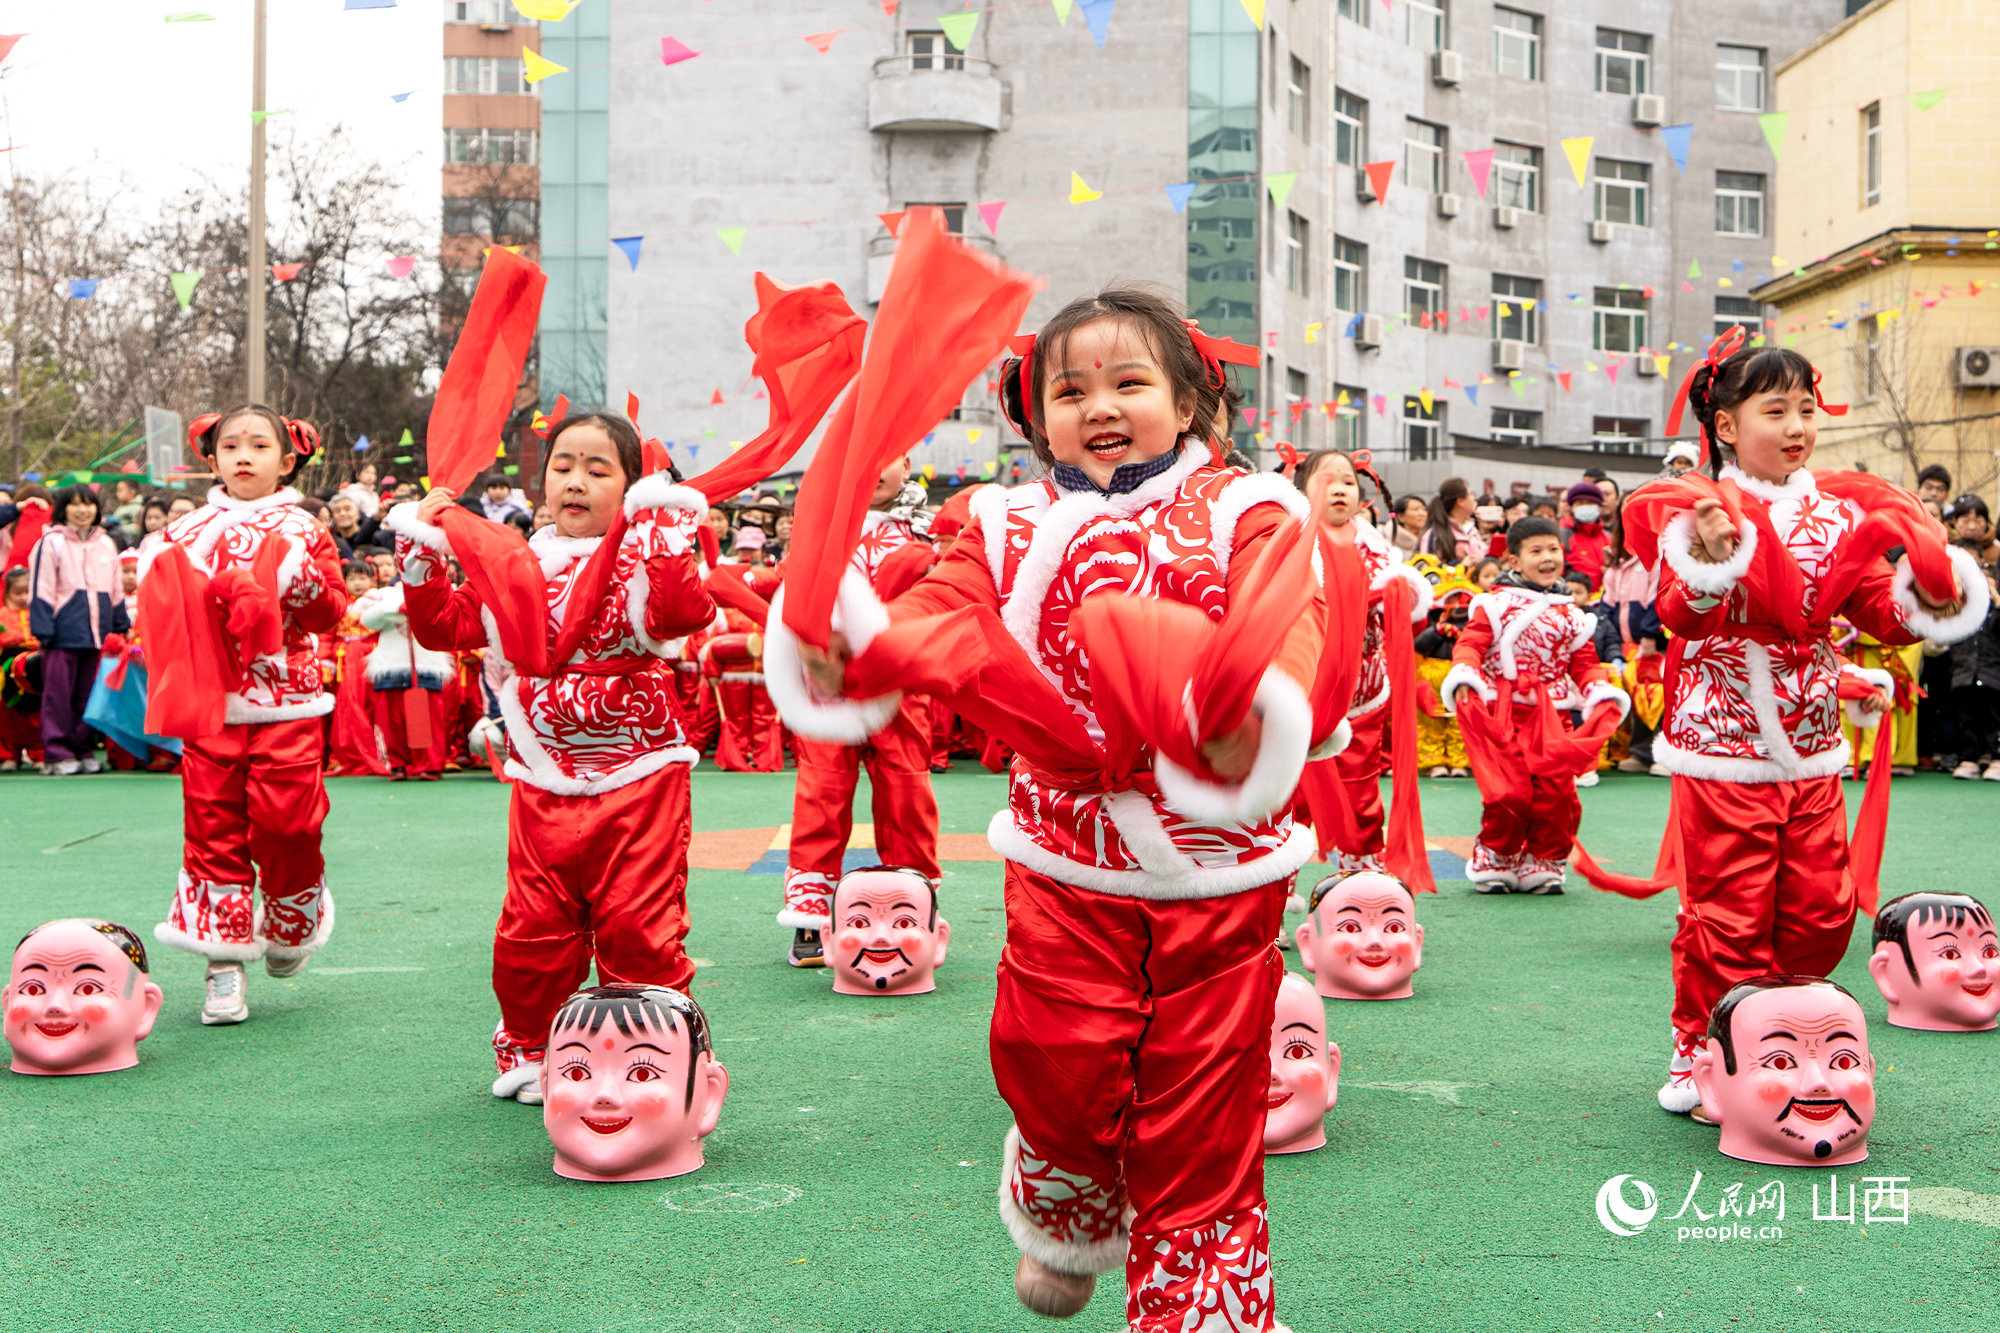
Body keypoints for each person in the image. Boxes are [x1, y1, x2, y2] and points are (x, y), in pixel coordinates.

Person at [771, 287, 1330, 1329]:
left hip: (1220, 862)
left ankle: (1200, 1307)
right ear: (1034, 415)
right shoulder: (998, 520)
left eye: (1130, 382)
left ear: (1193, 398)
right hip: (1064, 858)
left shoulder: (1253, 510)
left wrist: (1243, 719)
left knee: (1203, 1103)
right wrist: (862, 643)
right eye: (1070, 389)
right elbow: (941, 614)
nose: (1100, 406)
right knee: (1051, 1063)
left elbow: (1283, 620)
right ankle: (1066, 1202)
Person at [1596, 341, 1985, 1117]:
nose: (1798, 425)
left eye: (1806, 408)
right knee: (1729, 914)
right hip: (1720, 743)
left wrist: (1925, 603)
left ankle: (1790, 1036)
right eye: (1775, 411)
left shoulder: (1836, 511)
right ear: (1728, 426)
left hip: (1809, 744)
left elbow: (1874, 602)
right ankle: (1708, 1052)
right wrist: (1710, 557)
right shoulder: (1694, 513)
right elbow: (1676, 609)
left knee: (1821, 910)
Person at [389, 409, 719, 1105]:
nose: (576, 481)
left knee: (638, 924)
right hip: (541, 780)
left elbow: (682, 615)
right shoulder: (514, 563)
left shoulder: (639, 556)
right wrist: (423, 548)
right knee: (531, 930)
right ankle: (537, 1045)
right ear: (541, 482)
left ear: (630, 486)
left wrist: (664, 532)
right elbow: (442, 624)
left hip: (640, 778)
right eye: (563, 466)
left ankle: (654, 1052)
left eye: (600, 470)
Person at [147, 406, 348, 1025]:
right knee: (211, 828)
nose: (243, 456)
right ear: (212, 458)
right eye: (231, 445)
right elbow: (162, 613)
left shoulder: (303, 530)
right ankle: (222, 963)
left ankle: (292, 919)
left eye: (259, 445)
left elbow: (329, 613)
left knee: (290, 823)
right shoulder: (187, 531)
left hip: (287, 701)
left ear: (287, 461)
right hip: (211, 706)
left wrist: (295, 578)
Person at [775, 455, 942, 968]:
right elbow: (796, 597)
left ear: (909, 462)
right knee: (821, 793)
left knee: (906, 793)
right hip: (830, 685)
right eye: (861, 455)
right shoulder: (820, 532)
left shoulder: (928, 532)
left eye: (884, 455)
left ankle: (913, 907)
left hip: (900, 689)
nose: (871, 469)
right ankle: (812, 915)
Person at [1443, 516, 1624, 893]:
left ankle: (1544, 859)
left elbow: (1585, 664)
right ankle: (1496, 855)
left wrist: (1599, 692)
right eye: (1536, 551)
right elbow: (1470, 645)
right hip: (1503, 714)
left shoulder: (1572, 614)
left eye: (1553, 549)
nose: (1547, 558)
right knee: (1508, 792)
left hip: (1554, 716)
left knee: (1557, 793)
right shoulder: (1493, 605)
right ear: (1514, 561)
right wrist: (1464, 675)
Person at [1292, 450, 1431, 872]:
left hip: (1363, 690)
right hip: (1300, 688)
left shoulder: (1376, 549)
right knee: (1289, 793)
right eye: (1326, 479)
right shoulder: (1290, 540)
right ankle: (1274, 893)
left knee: (1361, 786)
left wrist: (1403, 595)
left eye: (1349, 482)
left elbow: (1405, 620)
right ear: (1299, 489)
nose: (1339, 488)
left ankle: (1362, 879)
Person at [27, 484, 127, 775]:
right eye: (75, 504)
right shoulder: (51, 542)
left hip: (98, 632)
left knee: (89, 694)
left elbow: (116, 588)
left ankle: (83, 750)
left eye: (89, 504)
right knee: (58, 695)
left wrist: (120, 623)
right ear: (63, 509)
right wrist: (44, 627)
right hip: (61, 632)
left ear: (97, 509)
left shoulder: (106, 543)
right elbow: (41, 588)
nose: (83, 510)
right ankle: (57, 753)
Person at [323, 561, 387, 778]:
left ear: (373, 580)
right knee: (349, 705)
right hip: (350, 662)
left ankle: (412, 757)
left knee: (381, 707)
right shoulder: (339, 605)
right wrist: (325, 662)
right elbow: (327, 635)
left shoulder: (385, 600)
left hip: (380, 659)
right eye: (352, 578)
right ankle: (347, 754)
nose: (358, 583)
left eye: (363, 578)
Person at [1563, 482, 1610, 588]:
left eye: (1590, 503)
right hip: (1572, 598)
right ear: (1571, 507)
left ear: (1599, 506)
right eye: (1580, 503)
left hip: (1603, 599)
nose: (1585, 506)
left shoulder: (1608, 537)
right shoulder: (1563, 535)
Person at [1418, 477, 1476, 563]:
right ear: (1460, 501)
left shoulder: (1472, 530)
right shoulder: (1434, 535)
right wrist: (1460, 567)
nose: (1473, 498)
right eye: (1470, 494)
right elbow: (1428, 571)